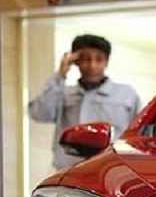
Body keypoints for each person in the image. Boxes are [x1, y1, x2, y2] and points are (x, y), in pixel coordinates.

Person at [28, 34, 141, 169]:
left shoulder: (127, 95)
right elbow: (39, 114)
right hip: (69, 170)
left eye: (99, 59)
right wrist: (60, 74)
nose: (92, 65)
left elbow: (140, 134)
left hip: (112, 169)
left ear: (106, 62)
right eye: (86, 59)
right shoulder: (63, 93)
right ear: (76, 61)